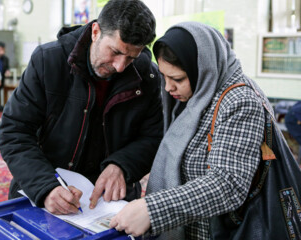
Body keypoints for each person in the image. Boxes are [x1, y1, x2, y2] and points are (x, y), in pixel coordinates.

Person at [0, 0, 163, 216]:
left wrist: (123, 165)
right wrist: (46, 187)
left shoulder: (147, 76)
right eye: (114, 51)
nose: (120, 66)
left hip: (110, 201)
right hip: (44, 188)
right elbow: (14, 131)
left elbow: (154, 137)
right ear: (96, 31)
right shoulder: (48, 61)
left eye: (132, 57)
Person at [110, 22, 271, 239]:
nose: (168, 88)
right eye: (164, 77)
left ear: (202, 69)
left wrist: (152, 210)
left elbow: (228, 183)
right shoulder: (196, 94)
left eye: (177, 79)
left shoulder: (240, 101)